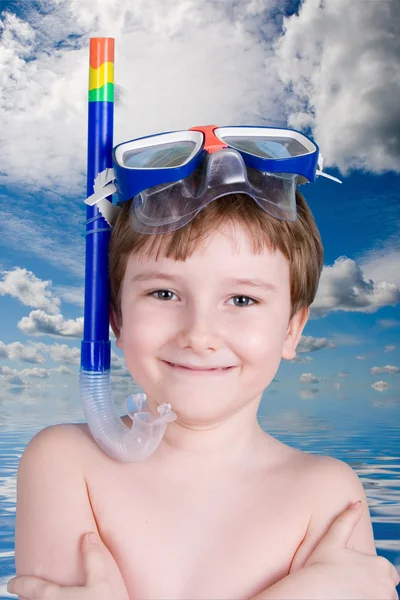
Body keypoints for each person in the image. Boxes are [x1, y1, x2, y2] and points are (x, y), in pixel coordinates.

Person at [8, 126, 399, 600]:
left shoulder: (329, 496)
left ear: (292, 329)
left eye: (241, 298)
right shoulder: (66, 463)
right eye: (164, 293)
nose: (198, 334)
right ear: (115, 317)